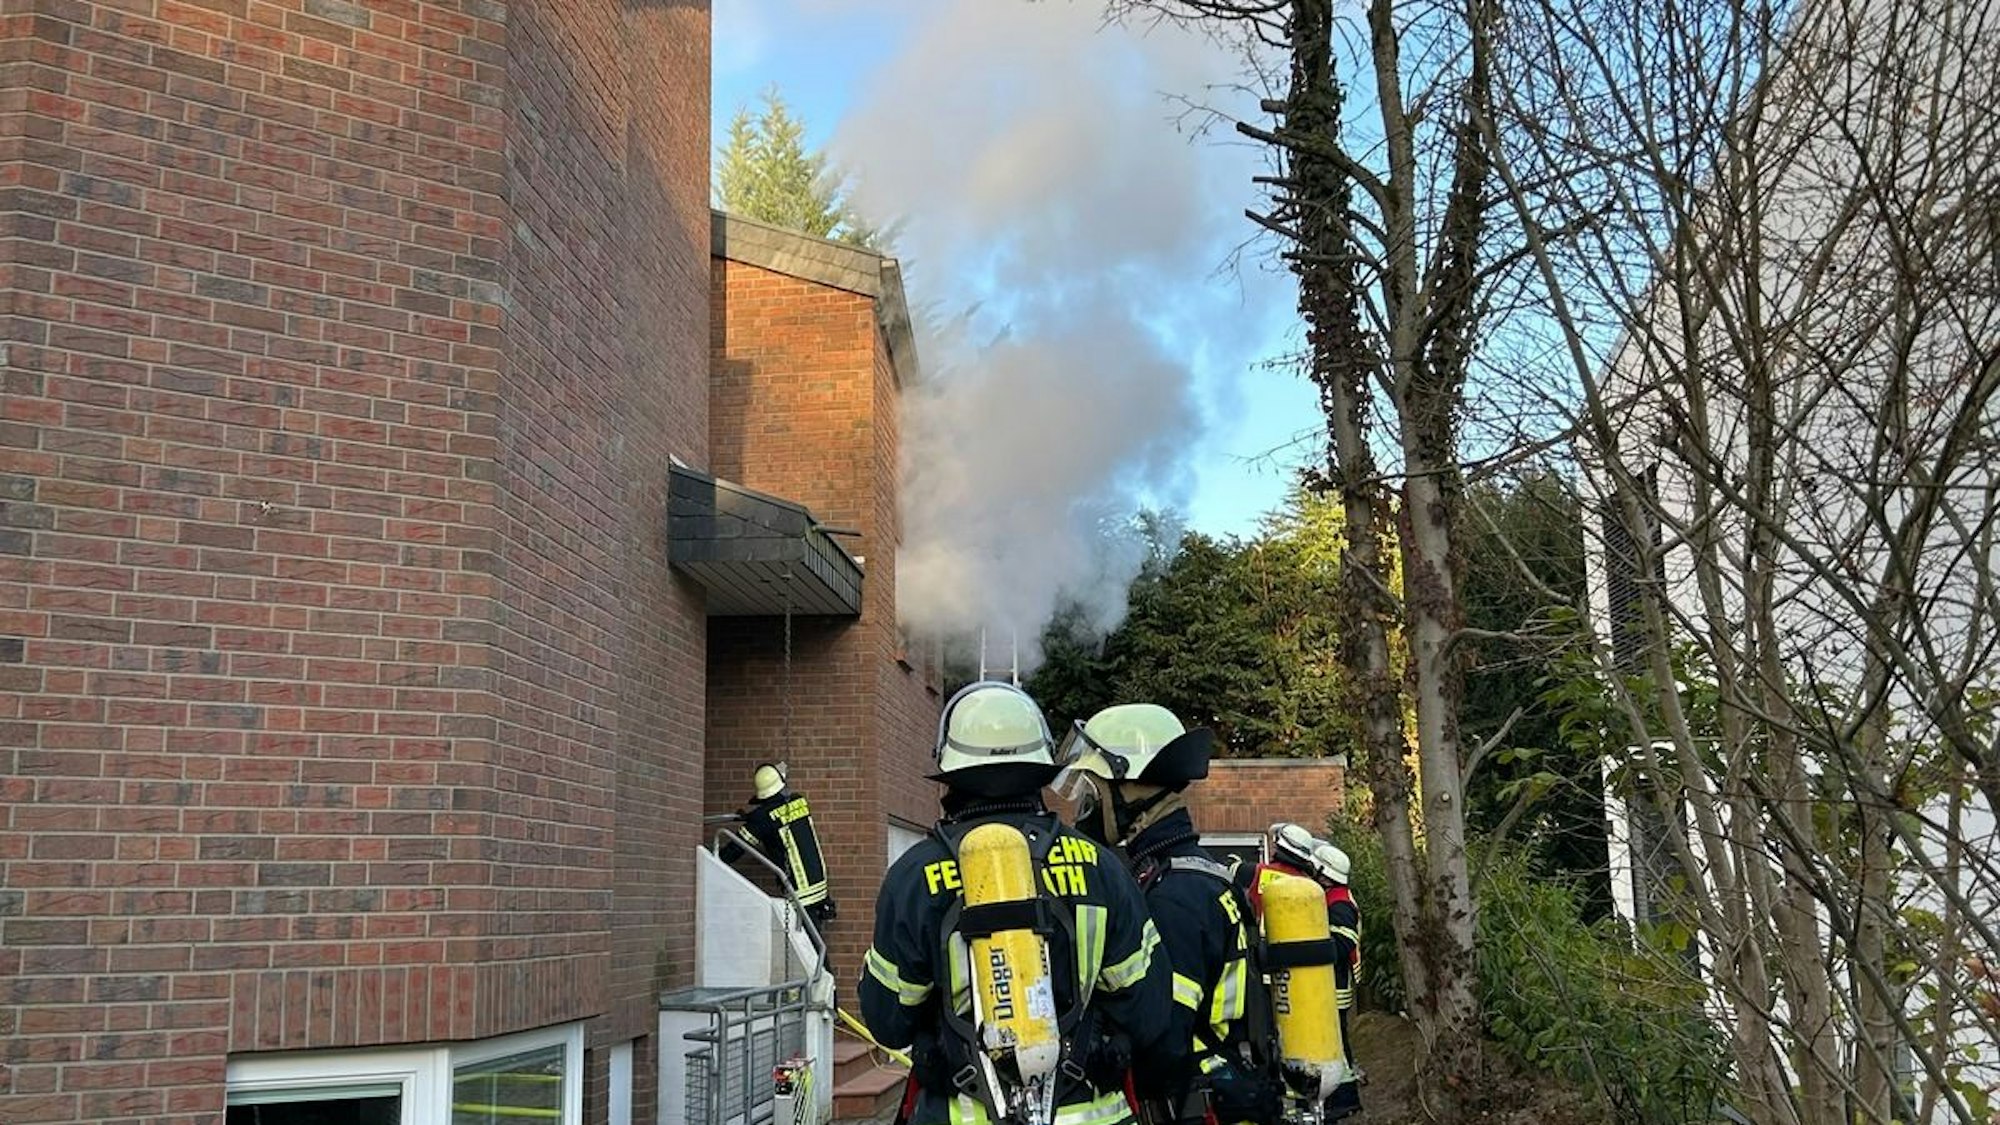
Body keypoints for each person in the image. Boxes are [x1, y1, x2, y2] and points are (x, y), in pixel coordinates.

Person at [859, 682, 1172, 1125]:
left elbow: (887, 1020)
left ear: (949, 778)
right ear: (1040, 770)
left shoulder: (914, 875)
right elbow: (1149, 1014)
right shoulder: (1101, 868)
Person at [1053, 704, 1280, 1125]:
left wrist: (1096, 1054)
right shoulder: (1192, 873)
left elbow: (1164, 1041)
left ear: (1133, 791)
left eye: (1094, 788)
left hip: (1193, 1107)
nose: (1085, 803)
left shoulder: (1173, 896)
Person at [722, 761, 836, 930]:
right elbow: (778, 815)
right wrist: (752, 818)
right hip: (819, 884)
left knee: (812, 949)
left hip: (799, 892)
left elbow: (736, 848)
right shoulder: (799, 801)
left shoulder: (761, 818)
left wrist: (715, 857)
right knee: (815, 945)